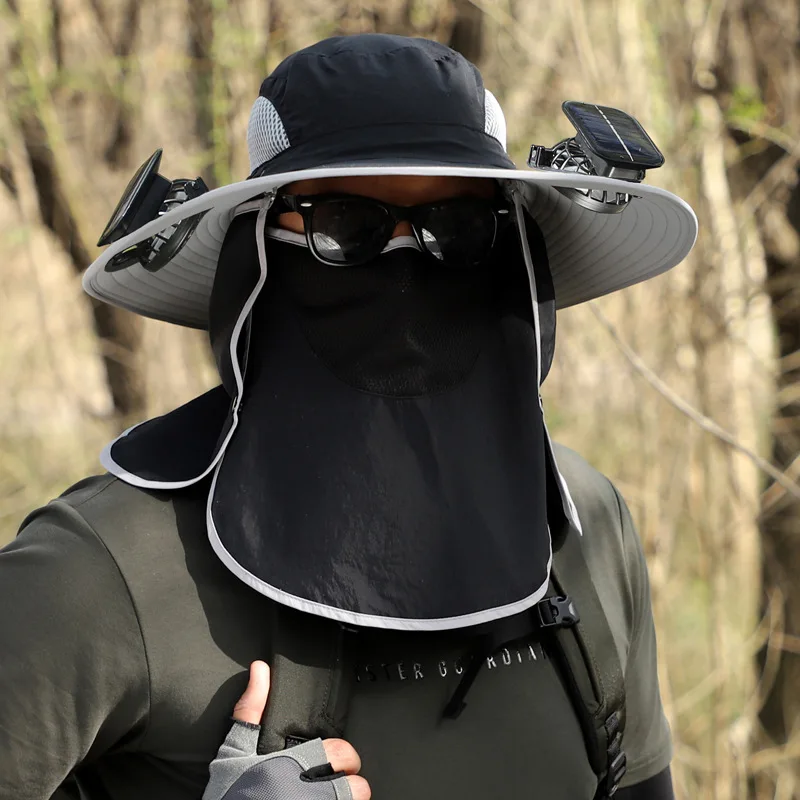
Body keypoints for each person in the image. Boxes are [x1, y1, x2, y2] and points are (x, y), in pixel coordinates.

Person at [0, 34, 697, 800]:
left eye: (459, 227)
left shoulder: (582, 528)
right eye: (344, 227)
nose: (407, 272)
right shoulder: (105, 570)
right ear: (259, 250)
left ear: (513, 249)